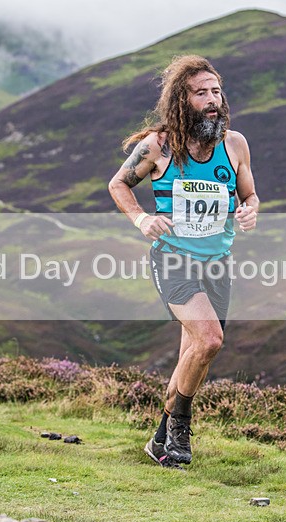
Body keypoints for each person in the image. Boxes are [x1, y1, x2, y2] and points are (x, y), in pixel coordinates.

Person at [108, 55, 259, 467]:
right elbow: (118, 183)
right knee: (209, 339)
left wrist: (250, 210)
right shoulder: (158, 146)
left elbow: (249, 195)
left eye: (216, 91)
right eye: (201, 93)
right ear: (181, 99)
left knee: (195, 353)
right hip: (173, 259)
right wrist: (141, 218)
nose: (213, 100)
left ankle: (159, 440)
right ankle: (180, 428)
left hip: (218, 264)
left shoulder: (235, 145)